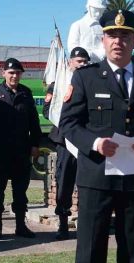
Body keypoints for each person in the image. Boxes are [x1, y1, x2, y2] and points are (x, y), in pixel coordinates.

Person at [59, 10, 134, 263]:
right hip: (96, 176)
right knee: (90, 249)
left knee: (133, 250)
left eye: (124, 35)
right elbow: (68, 123)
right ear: (103, 40)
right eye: (111, 35)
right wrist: (96, 143)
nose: (117, 41)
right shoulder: (86, 77)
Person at [0, 58, 42, 239]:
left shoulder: (26, 93)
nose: (14, 76)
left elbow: (33, 122)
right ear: (3, 73)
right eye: (11, 72)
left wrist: (35, 144)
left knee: (20, 191)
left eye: (17, 73)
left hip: (21, 150)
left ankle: (20, 226)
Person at [42, 47, 90, 240]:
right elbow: (48, 110)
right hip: (65, 140)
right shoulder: (59, 84)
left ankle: (87, 224)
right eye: (78, 61)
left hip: (86, 140)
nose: (82, 64)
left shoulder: (92, 83)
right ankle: (63, 224)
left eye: (85, 61)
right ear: (70, 62)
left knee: (88, 183)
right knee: (64, 183)